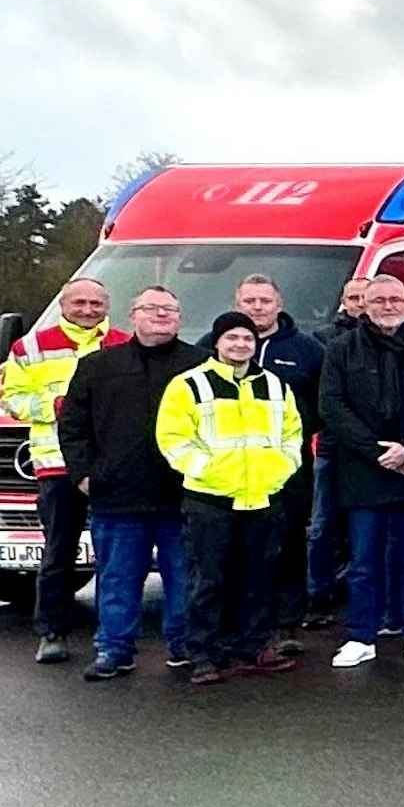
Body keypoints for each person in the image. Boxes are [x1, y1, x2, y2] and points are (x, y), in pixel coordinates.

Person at [57, 287, 207, 679]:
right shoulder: (97, 366)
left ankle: (185, 646)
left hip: (184, 496)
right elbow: (72, 425)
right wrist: (83, 474)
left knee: (184, 579)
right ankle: (114, 650)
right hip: (117, 496)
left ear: (179, 317)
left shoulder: (202, 365)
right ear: (132, 315)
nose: (161, 315)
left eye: (169, 310)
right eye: (151, 309)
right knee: (118, 580)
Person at [156, 311, 305, 685]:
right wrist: (207, 469)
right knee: (208, 581)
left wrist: (280, 468)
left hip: (262, 497)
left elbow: (292, 434)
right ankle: (204, 653)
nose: (240, 345)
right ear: (217, 342)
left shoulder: (273, 385)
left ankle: (252, 648)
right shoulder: (189, 385)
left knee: (257, 579)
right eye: (232, 338)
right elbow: (172, 439)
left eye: (247, 339)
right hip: (211, 499)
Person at [319, 276, 404, 668]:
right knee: (363, 561)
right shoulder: (341, 350)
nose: (388, 306)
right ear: (364, 305)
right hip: (363, 471)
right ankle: (361, 635)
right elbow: (332, 406)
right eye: (379, 300)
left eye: (396, 299)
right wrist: (377, 451)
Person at [195, 275, 325, 658]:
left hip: (287, 471)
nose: (257, 307)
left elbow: (321, 403)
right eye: (249, 300)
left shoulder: (307, 349)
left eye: (265, 300)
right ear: (237, 302)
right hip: (226, 477)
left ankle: (286, 624)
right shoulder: (208, 348)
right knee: (233, 555)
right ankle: (236, 629)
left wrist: (291, 448)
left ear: (279, 304)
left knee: (286, 547)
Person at [2, 278, 129, 665]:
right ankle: (52, 633)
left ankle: (114, 636)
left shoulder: (125, 344)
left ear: (108, 304)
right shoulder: (31, 346)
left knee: (115, 555)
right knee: (58, 552)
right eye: (80, 303)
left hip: (114, 466)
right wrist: (56, 404)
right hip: (56, 465)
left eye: (96, 303)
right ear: (62, 303)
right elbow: (11, 399)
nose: (88, 310)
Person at [303, 275, 372, 629]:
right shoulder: (322, 339)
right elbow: (326, 398)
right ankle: (317, 595)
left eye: (365, 296)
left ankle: (361, 596)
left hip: (371, 451)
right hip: (332, 447)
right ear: (344, 300)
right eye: (354, 297)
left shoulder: (390, 339)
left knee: (365, 529)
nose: (360, 303)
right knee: (321, 526)